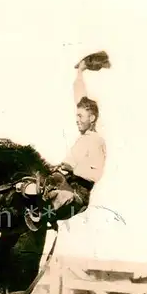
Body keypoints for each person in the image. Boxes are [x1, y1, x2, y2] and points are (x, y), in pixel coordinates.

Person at [56, 52, 109, 215]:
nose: (77, 119)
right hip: (67, 185)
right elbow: (80, 98)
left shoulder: (96, 141)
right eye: (76, 116)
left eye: (80, 116)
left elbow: (92, 173)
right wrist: (80, 72)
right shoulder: (86, 137)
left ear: (92, 118)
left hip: (77, 195)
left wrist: (69, 168)